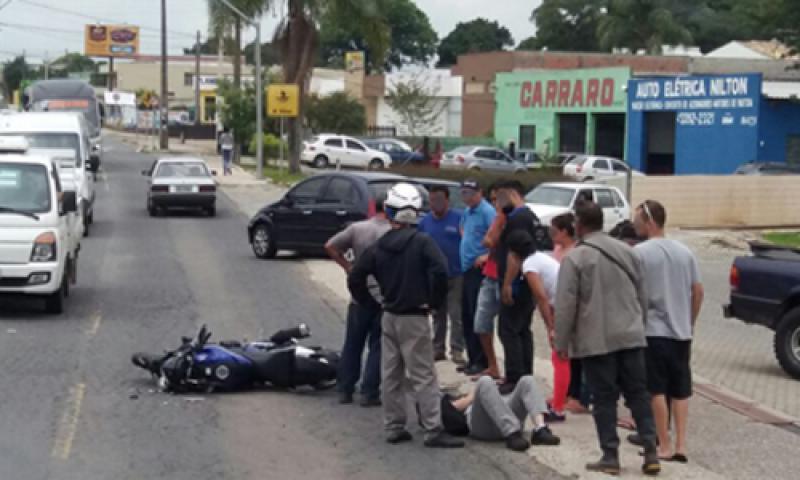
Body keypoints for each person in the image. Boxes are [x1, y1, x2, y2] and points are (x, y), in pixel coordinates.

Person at [348, 183, 464, 448]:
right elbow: (440, 271)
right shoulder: (422, 242)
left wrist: (371, 303)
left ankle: (394, 425)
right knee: (423, 374)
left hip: (389, 314)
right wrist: (433, 303)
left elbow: (356, 276)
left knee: (391, 373)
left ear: (390, 212)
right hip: (415, 315)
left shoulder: (380, 245)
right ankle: (433, 429)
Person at [554, 202, 661, 477]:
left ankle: (610, 456)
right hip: (630, 336)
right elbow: (643, 295)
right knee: (638, 394)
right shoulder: (628, 251)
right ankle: (651, 451)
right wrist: (640, 328)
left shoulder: (576, 258)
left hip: (596, 339)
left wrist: (561, 343)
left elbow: (566, 304)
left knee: (604, 399)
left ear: (578, 225)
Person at [633, 200, 704, 463]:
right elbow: (698, 291)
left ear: (649, 221)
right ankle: (682, 444)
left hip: (653, 330)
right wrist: (690, 320)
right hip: (681, 332)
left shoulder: (640, 252)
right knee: (681, 389)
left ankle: (664, 443)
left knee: (656, 389)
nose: (635, 223)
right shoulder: (685, 252)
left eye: (638, 219)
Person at [325, 197, 391, 407]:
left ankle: (345, 389)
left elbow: (330, 246)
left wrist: (348, 266)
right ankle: (369, 392)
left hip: (358, 295)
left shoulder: (357, 229)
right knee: (378, 346)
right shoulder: (392, 232)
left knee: (352, 344)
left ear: (374, 207)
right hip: (383, 295)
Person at [506, 229, 567, 423]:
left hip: (562, 306)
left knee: (560, 356)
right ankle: (559, 399)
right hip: (564, 302)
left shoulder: (530, 265)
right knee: (562, 357)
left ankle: (558, 408)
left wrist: (550, 326)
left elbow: (541, 297)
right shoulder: (540, 257)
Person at [496, 179, 540, 395]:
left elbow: (515, 254)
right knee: (521, 329)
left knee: (509, 329)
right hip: (525, 281)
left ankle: (516, 376)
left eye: (500, 197)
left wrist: (507, 284)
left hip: (517, 283)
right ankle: (525, 375)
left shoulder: (519, 218)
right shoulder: (526, 215)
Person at [441, 376, 561, 451]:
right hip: (483, 425)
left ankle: (540, 429)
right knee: (484, 381)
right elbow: (453, 409)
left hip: (506, 412)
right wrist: (471, 396)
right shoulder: (447, 400)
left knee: (527, 380)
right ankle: (512, 433)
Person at [418, 185, 465, 366]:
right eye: (432, 200)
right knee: (438, 314)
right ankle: (437, 349)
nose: (435, 203)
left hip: (456, 274)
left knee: (456, 315)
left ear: (447, 200)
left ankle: (457, 350)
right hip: (434, 277)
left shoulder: (459, 219)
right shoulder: (424, 223)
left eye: (439, 199)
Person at [550, 213, 590, 415]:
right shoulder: (557, 250)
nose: (550, 234)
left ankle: (581, 397)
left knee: (578, 354)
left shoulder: (576, 252)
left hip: (575, 305)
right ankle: (565, 393)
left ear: (565, 231)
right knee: (565, 353)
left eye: (554, 230)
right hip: (560, 304)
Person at [459, 179, 496, 376]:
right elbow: (463, 229)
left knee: (477, 315)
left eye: (470, 193)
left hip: (479, 270)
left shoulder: (487, 211)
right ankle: (472, 357)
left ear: (479, 193)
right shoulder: (467, 211)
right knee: (466, 314)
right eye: (464, 193)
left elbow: (498, 238)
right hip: (466, 268)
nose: (467, 197)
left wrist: (486, 255)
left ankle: (481, 361)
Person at [472, 184, 505, 380]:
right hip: (490, 274)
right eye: (492, 199)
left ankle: (511, 372)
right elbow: (489, 243)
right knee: (481, 323)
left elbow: (489, 240)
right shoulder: (498, 218)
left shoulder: (505, 219)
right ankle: (492, 365)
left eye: (497, 199)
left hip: (504, 277)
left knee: (507, 329)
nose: (494, 203)